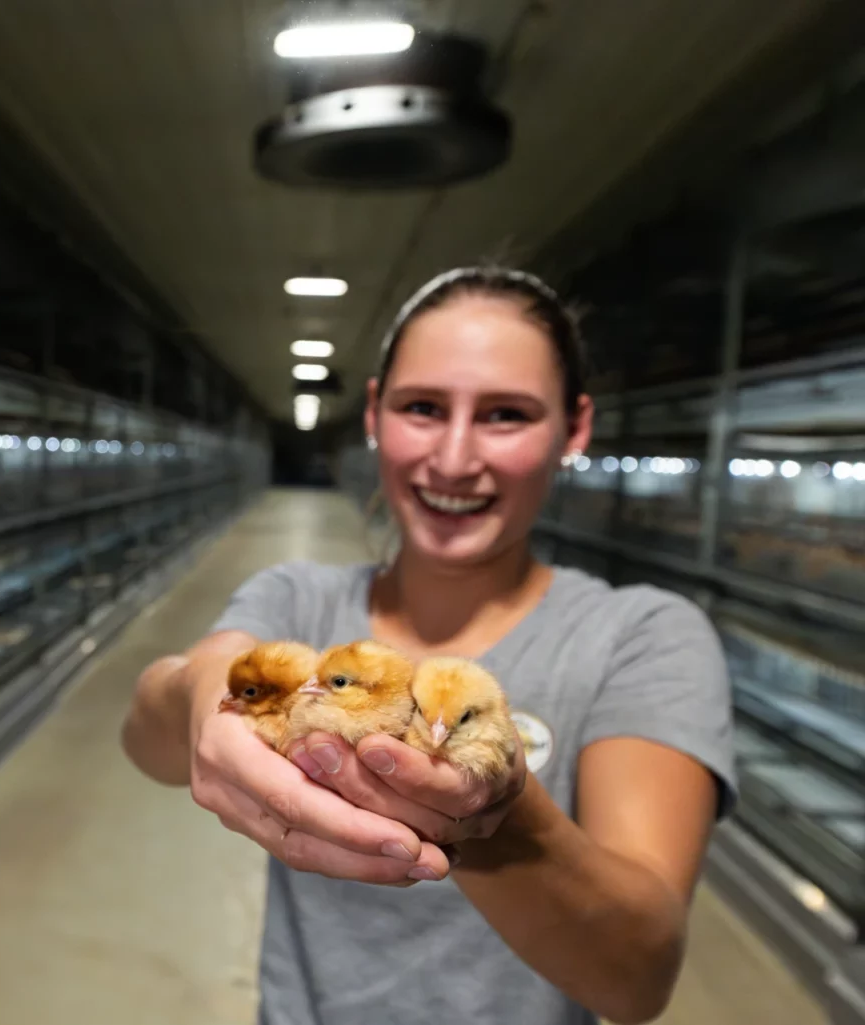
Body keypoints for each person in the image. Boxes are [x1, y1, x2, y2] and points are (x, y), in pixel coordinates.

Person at [119, 265, 736, 1025]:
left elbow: (638, 977)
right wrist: (206, 686)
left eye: (505, 414)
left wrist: (492, 812)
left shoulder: (641, 637)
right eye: (423, 407)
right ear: (374, 412)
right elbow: (147, 737)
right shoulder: (298, 600)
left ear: (574, 428)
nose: (452, 458)